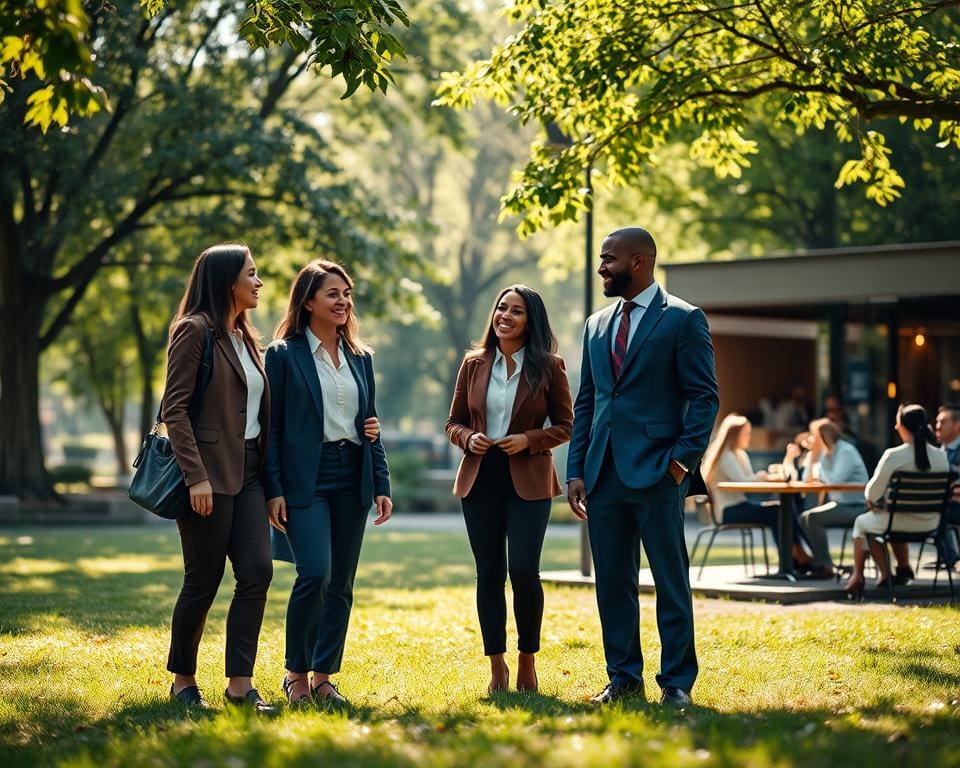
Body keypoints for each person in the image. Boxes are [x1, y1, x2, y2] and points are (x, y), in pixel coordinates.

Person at [566, 227, 719, 711]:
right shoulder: (595, 325)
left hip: (658, 473)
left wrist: (680, 463)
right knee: (613, 584)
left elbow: (704, 397)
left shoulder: (683, 319)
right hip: (603, 474)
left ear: (639, 261)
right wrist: (576, 469)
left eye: (608, 259)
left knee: (670, 582)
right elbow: (588, 402)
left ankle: (677, 683)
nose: (601, 267)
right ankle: (623, 679)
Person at [264, 260, 392, 708]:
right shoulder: (283, 355)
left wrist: (381, 482)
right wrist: (273, 489)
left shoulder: (361, 357)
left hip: (352, 474)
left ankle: (323, 677)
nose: (343, 301)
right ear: (308, 301)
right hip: (306, 479)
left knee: (340, 584)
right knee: (315, 573)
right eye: (333, 293)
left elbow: (370, 424)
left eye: (346, 293)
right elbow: (272, 429)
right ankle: (295, 675)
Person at [163, 243, 275, 714]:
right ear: (227, 281)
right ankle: (183, 681)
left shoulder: (246, 337)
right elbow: (174, 409)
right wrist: (195, 477)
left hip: (250, 474)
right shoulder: (194, 330)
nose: (259, 282)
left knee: (258, 571)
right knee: (203, 579)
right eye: (252, 273)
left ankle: (239, 685)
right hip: (207, 474)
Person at [445, 285, 574, 694]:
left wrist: (530, 439)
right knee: (489, 573)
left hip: (529, 479)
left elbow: (567, 425)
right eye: (502, 308)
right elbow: (453, 422)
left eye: (517, 311)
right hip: (480, 477)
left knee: (522, 569)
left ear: (531, 320)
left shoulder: (550, 366)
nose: (506, 316)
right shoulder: (473, 364)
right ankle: (496, 665)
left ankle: (526, 661)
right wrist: (468, 438)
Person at [843, 404, 949, 596]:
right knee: (880, 520)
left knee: (863, 522)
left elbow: (872, 493)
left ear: (903, 426)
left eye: (897, 423)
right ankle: (902, 566)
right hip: (931, 522)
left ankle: (862, 575)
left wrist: (876, 503)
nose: (895, 427)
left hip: (896, 521)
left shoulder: (893, 455)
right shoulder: (941, 456)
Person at [701, 414, 815, 570]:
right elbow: (744, 482)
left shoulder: (740, 454)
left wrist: (764, 477)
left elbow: (749, 479)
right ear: (735, 435)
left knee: (781, 510)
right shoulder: (726, 456)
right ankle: (796, 557)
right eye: (746, 433)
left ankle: (793, 558)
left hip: (740, 505)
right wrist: (762, 476)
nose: (749, 437)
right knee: (778, 511)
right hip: (728, 510)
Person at [796, 418, 869, 577]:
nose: (811, 441)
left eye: (814, 437)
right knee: (803, 518)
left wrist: (818, 462)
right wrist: (814, 459)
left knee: (813, 518)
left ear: (823, 437)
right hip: (841, 504)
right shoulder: (826, 454)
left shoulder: (845, 451)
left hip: (857, 506)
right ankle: (823, 562)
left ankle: (825, 566)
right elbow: (808, 479)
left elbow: (834, 481)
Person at [933, 403, 960, 571]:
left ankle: (952, 559)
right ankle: (948, 558)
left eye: (943, 422)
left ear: (957, 426)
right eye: (937, 422)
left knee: (938, 513)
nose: (937, 426)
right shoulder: (939, 451)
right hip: (947, 503)